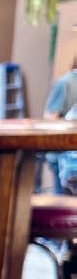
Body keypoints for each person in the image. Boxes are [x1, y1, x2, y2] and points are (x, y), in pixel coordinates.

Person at [44, 60, 77, 193]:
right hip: (68, 158)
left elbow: (51, 118)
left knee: (62, 200)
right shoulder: (66, 83)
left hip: (64, 157)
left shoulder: (64, 82)